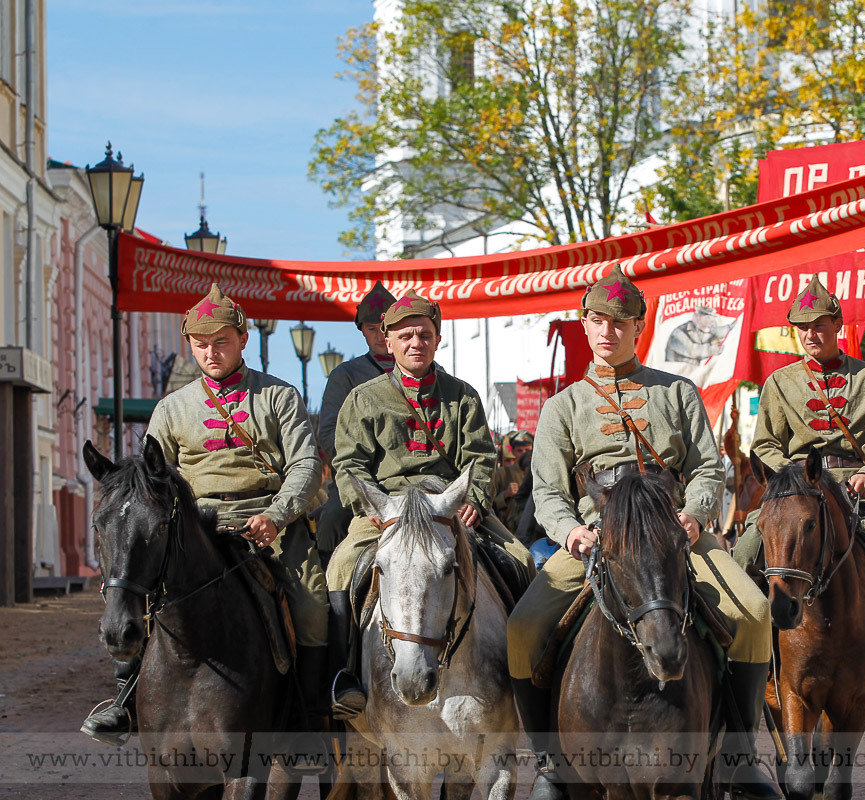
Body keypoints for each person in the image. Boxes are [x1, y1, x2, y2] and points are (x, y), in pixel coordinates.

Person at [508, 266, 779, 800]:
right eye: (597, 321)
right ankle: (550, 764)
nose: (608, 331)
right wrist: (571, 533)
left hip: (672, 532)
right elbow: (547, 490)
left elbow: (707, 467)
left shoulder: (676, 392)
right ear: (584, 325)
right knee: (521, 630)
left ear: (639, 327)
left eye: (620, 321)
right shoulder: (563, 406)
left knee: (752, 612)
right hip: (600, 535)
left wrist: (697, 514)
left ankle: (740, 756)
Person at [81, 283, 330, 749]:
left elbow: (306, 465)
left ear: (241, 340)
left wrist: (276, 515)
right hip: (195, 527)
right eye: (201, 344)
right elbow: (154, 480)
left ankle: (310, 719)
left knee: (314, 609)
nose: (212, 352)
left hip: (268, 523)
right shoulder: (171, 408)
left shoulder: (279, 395)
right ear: (190, 346)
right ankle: (125, 701)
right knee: (141, 595)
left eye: (221, 341)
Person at [328, 289, 535, 718]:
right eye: (405, 336)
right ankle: (345, 676)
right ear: (387, 341)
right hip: (387, 512)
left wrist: (474, 499)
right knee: (341, 567)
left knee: (520, 559)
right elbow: (348, 463)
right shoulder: (362, 399)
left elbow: (479, 457)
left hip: (449, 509)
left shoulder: (462, 395)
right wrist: (369, 505)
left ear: (437, 339)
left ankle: (523, 680)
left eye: (423, 334)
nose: (415, 343)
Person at [733, 275, 865, 697]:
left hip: (857, 491)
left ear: (838, 325)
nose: (811, 333)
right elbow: (765, 444)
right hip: (797, 493)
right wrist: (790, 478)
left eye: (820, 324)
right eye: (803, 326)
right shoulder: (778, 384)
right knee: (743, 554)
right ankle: (752, 660)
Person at [315, 281, 397, 566]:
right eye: (371, 328)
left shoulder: (430, 370)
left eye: (384, 327)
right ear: (362, 330)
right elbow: (328, 432)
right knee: (332, 520)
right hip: (360, 476)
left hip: (414, 479)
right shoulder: (345, 375)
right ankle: (331, 597)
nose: (379, 335)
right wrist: (360, 475)